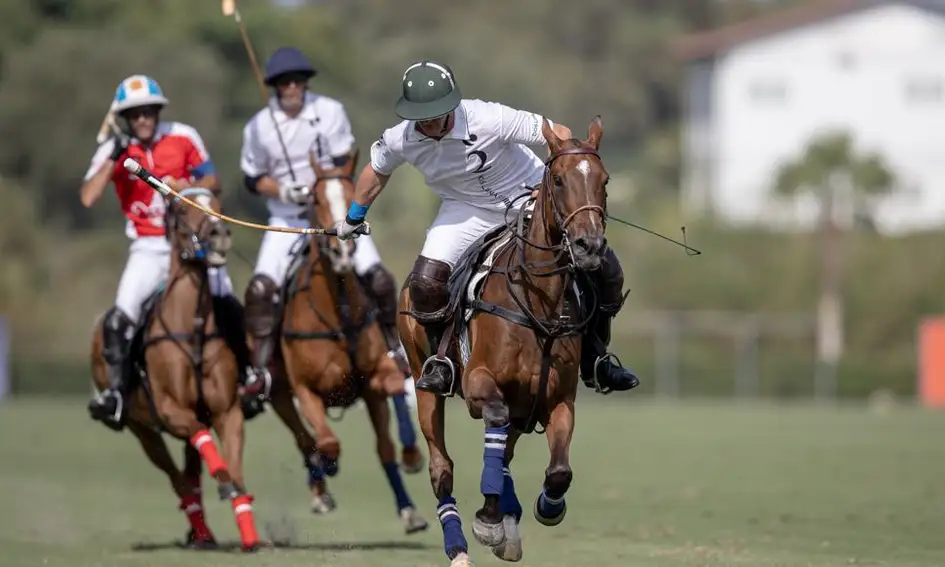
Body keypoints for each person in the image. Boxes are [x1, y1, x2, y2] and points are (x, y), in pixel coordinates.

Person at [332, 60, 640, 396]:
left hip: (529, 199)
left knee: (606, 270)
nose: (430, 122)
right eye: (422, 116)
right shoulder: (400, 138)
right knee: (424, 282)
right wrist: (353, 218)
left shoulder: (489, 117)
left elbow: (560, 134)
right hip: (464, 210)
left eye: (437, 113)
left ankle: (596, 357)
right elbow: (376, 171)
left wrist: (548, 187)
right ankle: (442, 361)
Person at [239, 47, 411, 406]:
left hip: (335, 214)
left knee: (379, 278)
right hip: (287, 220)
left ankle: (395, 349)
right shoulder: (259, 126)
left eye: (297, 81)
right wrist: (283, 190)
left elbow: (343, 163)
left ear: (305, 83)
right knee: (260, 289)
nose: (292, 87)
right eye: (284, 82)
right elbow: (253, 179)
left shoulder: (330, 111)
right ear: (274, 86)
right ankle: (260, 369)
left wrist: (319, 189)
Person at [80, 74, 247, 429]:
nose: (143, 119)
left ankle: (248, 379)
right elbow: (88, 197)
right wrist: (113, 155)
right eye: (135, 113)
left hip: (191, 243)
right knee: (121, 316)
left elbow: (213, 181)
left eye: (148, 111)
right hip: (148, 247)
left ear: (158, 111)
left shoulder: (183, 136)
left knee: (227, 300)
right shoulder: (114, 150)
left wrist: (184, 185)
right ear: (126, 118)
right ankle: (116, 395)